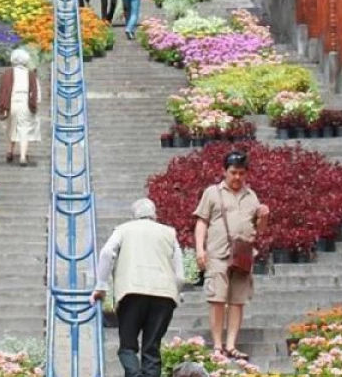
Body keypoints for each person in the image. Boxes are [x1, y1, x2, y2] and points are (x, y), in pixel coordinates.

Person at [92, 199, 186, 377]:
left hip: (131, 292)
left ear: (133, 215)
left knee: (127, 347)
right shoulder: (169, 233)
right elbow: (180, 275)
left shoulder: (123, 229)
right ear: (154, 214)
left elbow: (106, 253)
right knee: (152, 349)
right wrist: (177, 291)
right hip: (164, 295)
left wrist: (101, 286)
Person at [193, 150, 269, 361]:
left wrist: (264, 217)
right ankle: (217, 345)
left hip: (243, 255)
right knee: (217, 299)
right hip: (217, 253)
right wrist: (200, 249)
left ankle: (231, 345)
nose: (237, 177)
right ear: (224, 171)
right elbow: (201, 222)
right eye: (233, 172)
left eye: (241, 173)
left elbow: (260, 229)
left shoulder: (251, 196)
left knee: (237, 301)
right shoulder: (212, 193)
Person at [0, 49, 41, 166]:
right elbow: (37, 92)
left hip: (11, 103)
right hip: (25, 103)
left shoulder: (6, 74)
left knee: (11, 126)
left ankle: (10, 151)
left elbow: (1, 90)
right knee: (24, 129)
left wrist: (2, 106)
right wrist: (36, 103)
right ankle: (22, 156)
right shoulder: (30, 74)